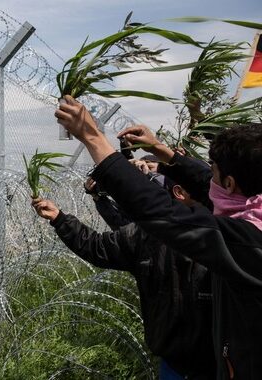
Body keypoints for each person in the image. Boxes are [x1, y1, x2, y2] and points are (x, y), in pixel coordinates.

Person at [55, 95, 262, 379]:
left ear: (229, 183)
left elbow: (161, 211)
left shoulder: (249, 243)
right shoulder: (253, 205)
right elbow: (205, 184)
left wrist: (93, 137)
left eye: (212, 168)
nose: (207, 176)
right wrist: (163, 152)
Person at [33, 176, 215, 379]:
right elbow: (97, 246)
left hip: (220, 360)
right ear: (179, 193)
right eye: (205, 190)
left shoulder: (226, 235)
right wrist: (59, 219)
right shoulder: (146, 235)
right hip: (174, 362)